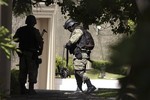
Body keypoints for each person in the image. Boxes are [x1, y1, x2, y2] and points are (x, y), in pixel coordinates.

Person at [63, 18, 96, 94]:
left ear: (72, 25)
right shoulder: (80, 29)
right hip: (79, 54)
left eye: (69, 28)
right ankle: (79, 88)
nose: (69, 30)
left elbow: (74, 39)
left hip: (81, 54)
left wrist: (69, 43)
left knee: (79, 71)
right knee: (77, 71)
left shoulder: (78, 30)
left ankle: (90, 86)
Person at [13, 15, 44, 95]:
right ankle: (30, 89)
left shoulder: (21, 30)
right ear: (34, 22)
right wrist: (40, 51)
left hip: (23, 53)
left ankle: (22, 88)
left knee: (23, 70)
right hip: (31, 54)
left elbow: (15, 39)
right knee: (32, 71)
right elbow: (40, 42)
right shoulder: (35, 31)